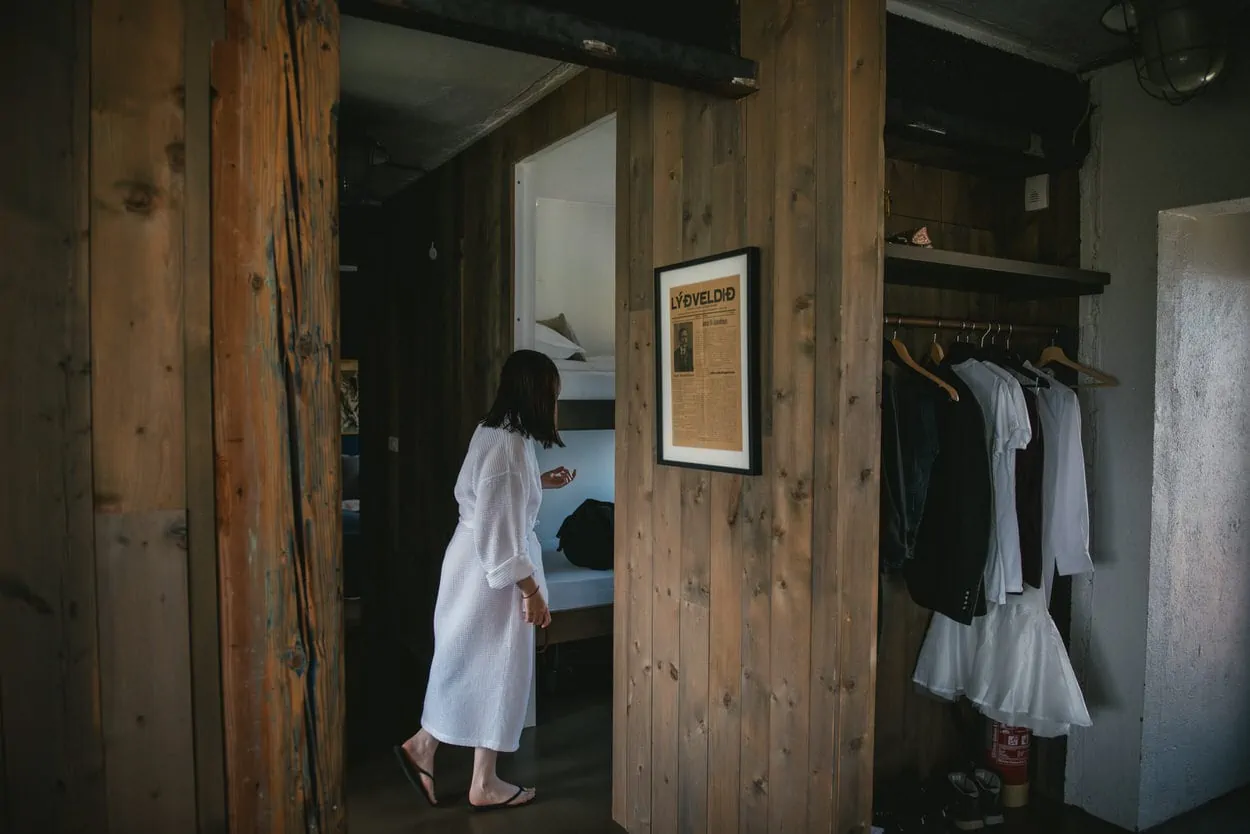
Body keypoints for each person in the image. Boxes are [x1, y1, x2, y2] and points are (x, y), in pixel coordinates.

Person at [394, 349, 577, 812]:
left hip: (475, 565)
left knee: (469, 662)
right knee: (491, 668)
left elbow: (492, 494)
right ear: (536, 393)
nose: (555, 403)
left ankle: (451, 760)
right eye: (553, 394)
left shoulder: (494, 430)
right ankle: (462, 768)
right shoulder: (508, 447)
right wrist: (531, 590)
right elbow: (500, 536)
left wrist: (539, 481)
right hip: (490, 574)